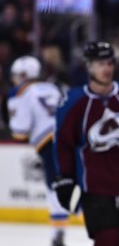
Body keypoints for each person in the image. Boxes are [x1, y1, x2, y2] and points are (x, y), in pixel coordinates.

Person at [52, 41, 119, 246]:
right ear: (88, 66)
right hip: (95, 189)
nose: (106, 68)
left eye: (109, 63)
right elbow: (64, 144)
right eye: (100, 64)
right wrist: (64, 177)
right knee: (107, 240)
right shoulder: (73, 102)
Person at [7, 55, 68, 246]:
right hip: (69, 137)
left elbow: (19, 131)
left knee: (54, 186)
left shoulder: (21, 92)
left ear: (24, 75)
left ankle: (58, 230)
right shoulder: (54, 87)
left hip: (46, 141)